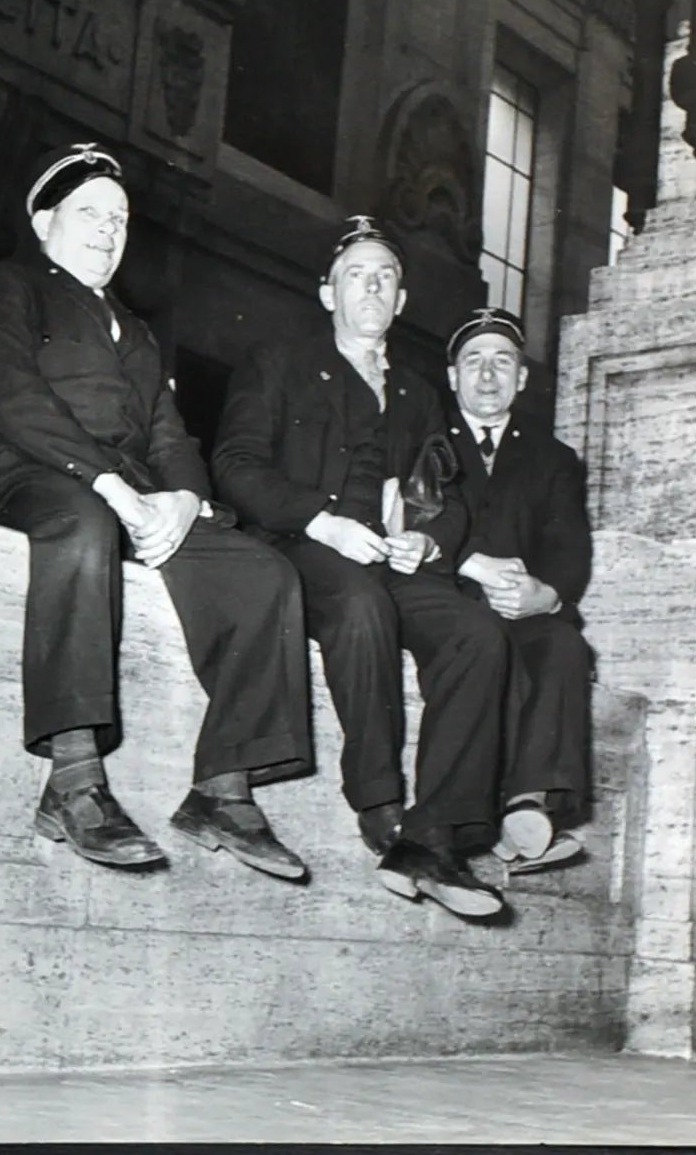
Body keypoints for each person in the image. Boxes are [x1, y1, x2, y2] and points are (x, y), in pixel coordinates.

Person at [0, 142, 311, 879]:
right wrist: (109, 482)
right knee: (81, 521)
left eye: (120, 218)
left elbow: (171, 437)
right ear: (44, 222)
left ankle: (222, 789)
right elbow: (14, 396)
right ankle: (73, 778)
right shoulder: (4, 285)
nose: (108, 230)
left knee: (264, 574)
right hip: (19, 471)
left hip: (124, 490)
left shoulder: (135, 333)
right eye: (90, 214)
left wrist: (182, 500)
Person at [212, 217, 511, 920]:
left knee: (477, 634)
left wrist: (428, 543)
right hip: (301, 546)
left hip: (388, 557)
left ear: (401, 300)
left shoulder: (416, 393)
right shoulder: (277, 361)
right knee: (359, 605)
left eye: (385, 277)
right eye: (356, 274)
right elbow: (235, 466)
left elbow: (444, 499)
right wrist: (322, 522)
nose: (371, 287)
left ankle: (432, 837)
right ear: (327, 293)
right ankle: (379, 805)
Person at [445, 307, 593, 875]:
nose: (487, 376)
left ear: (522, 379)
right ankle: (500, 826)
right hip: (448, 598)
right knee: (485, 644)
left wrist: (546, 595)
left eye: (502, 363)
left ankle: (527, 803)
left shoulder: (552, 459)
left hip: (520, 609)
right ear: (452, 375)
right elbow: (411, 518)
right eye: (473, 362)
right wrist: (467, 565)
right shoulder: (426, 437)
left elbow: (571, 552)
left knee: (562, 646)